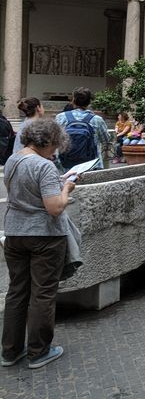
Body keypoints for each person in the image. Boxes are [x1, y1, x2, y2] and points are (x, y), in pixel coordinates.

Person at [2, 119, 74, 369]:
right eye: (55, 146)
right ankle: (38, 351)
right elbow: (54, 208)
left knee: (17, 291)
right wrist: (66, 188)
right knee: (43, 293)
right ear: (49, 141)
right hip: (44, 237)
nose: (55, 151)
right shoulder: (44, 166)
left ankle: (10, 351)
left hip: (14, 234)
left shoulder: (13, 160)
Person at [54, 87, 110, 170]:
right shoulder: (97, 120)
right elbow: (106, 140)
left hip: (66, 165)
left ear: (73, 101)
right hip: (92, 165)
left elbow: (54, 139)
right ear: (89, 102)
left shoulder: (60, 117)